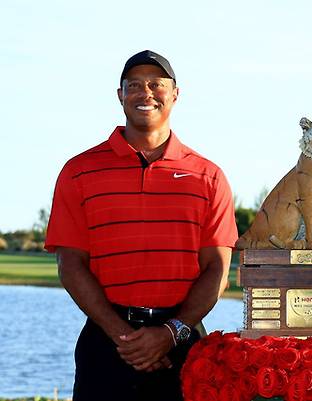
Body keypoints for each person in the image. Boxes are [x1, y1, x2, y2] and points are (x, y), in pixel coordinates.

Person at [45, 50, 238, 401]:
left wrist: (170, 332)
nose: (145, 93)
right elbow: (70, 265)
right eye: (133, 85)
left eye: (155, 84)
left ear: (175, 94)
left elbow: (218, 268)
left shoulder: (208, 176)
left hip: (182, 345)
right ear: (120, 95)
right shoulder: (78, 171)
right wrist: (123, 336)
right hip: (106, 343)